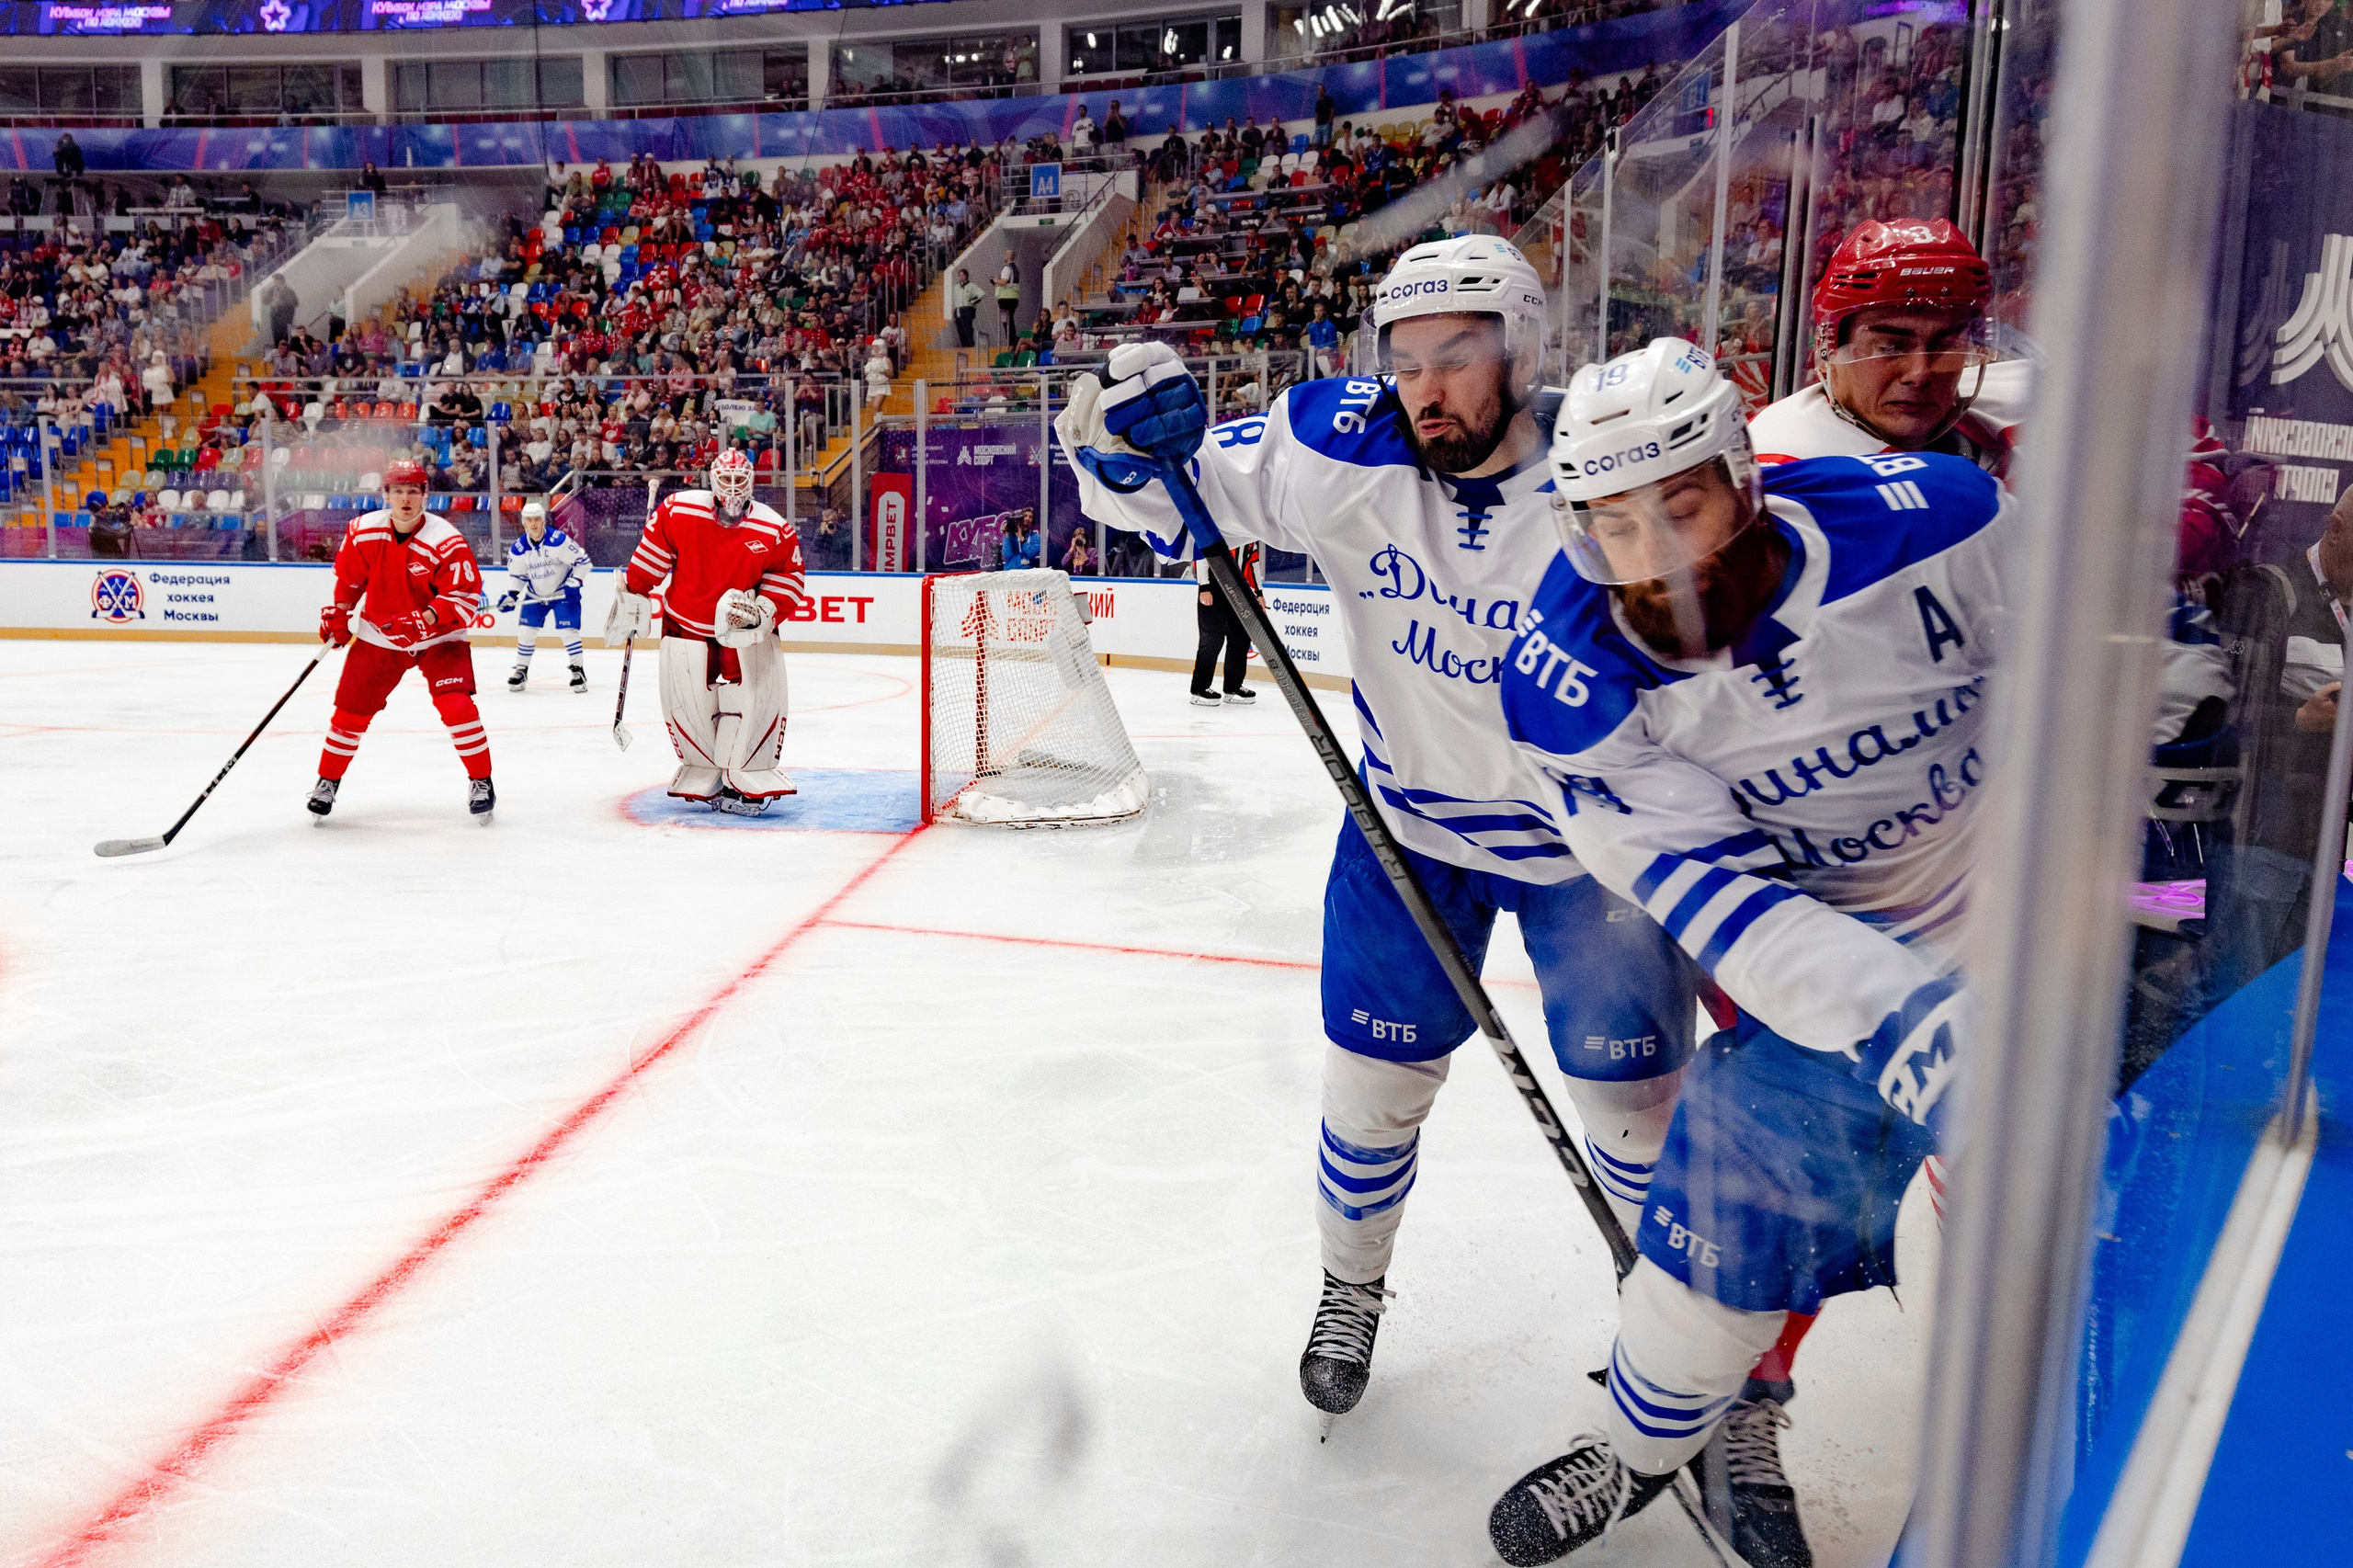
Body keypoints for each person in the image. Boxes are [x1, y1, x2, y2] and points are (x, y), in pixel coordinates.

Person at [1058, 237, 1705, 1433]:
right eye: (1406, 360)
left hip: (1593, 851)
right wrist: (1106, 425)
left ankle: (1670, 1327)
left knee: (1636, 1119)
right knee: (1367, 1098)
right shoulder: (1335, 441)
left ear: (1526, 351)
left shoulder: (1604, 464)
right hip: (1408, 831)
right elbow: (1160, 483)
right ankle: (1349, 1290)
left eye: (1459, 357)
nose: (1428, 388)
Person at [1481, 338, 2010, 1566]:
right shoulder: (1569, 685)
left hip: (2046, 933)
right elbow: (1718, 898)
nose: (1655, 551)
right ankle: (1641, 1445)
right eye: (1615, 523)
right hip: (1835, 964)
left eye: (1683, 504)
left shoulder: (1948, 517)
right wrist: (1906, 1014)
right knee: (1724, 1213)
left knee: (2055, 1256)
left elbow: (2099, 677)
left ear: (1745, 476)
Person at [606, 449, 807, 813]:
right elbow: (651, 557)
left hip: (741, 633)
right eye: (726, 479)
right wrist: (634, 592)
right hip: (685, 623)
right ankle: (702, 766)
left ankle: (747, 767)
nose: (732, 488)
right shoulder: (678, 511)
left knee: (755, 702)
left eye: (739, 480)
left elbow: (788, 577)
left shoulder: (774, 527)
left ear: (751, 482)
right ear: (713, 480)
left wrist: (764, 613)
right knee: (687, 703)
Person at [1746, 219, 2028, 478]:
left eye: (1945, 346)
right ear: (1828, 350)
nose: (1919, 374)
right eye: (1890, 347)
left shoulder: (2030, 408)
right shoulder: (1780, 469)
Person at [309, 459, 496, 822]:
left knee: (458, 708)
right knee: (349, 714)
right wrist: (339, 612)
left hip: (439, 638)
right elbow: (350, 580)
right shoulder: (363, 531)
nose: (405, 499)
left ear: (426, 495)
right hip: (381, 634)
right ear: (387, 495)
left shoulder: (446, 539)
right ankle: (326, 782)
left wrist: (425, 618)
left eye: (413, 491)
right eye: (398, 491)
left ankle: (482, 781)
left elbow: (465, 598)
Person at [498, 499, 591, 694]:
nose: (533, 524)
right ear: (524, 523)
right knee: (525, 631)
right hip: (535, 594)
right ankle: (521, 670)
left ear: (543, 521)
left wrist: (575, 581)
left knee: (568, 631)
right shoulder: (518, 549)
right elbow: (518, 576)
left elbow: (583, 562)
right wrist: (511, 594)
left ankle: (578, 671)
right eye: (529, 520)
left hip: (561, 593)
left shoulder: (558, 541)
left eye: (537, 520)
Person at [1190, 538, 1259, 706]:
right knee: (1212, 639)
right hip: (1213, 588)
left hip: (1240, 590)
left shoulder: (1248, 534)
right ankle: (1199, 689)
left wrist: (1259, 593)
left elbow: (1254, 564)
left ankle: (1233, 687)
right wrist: (1204, 587)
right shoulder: (1217, 528)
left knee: (1240, 639)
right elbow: (1201, 555)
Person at [994, 257, 1021, 347]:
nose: (1003, 256)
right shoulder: (1015, 269)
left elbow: (1004, 281)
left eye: (1005, 254)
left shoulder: (1007, 268)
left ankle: (1011, 342)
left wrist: (995, 281)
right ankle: (1012, 341)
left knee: (1006, 321)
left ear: (1009, 255)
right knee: (1010, 320)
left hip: (1006, 298)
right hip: (1013, 297)